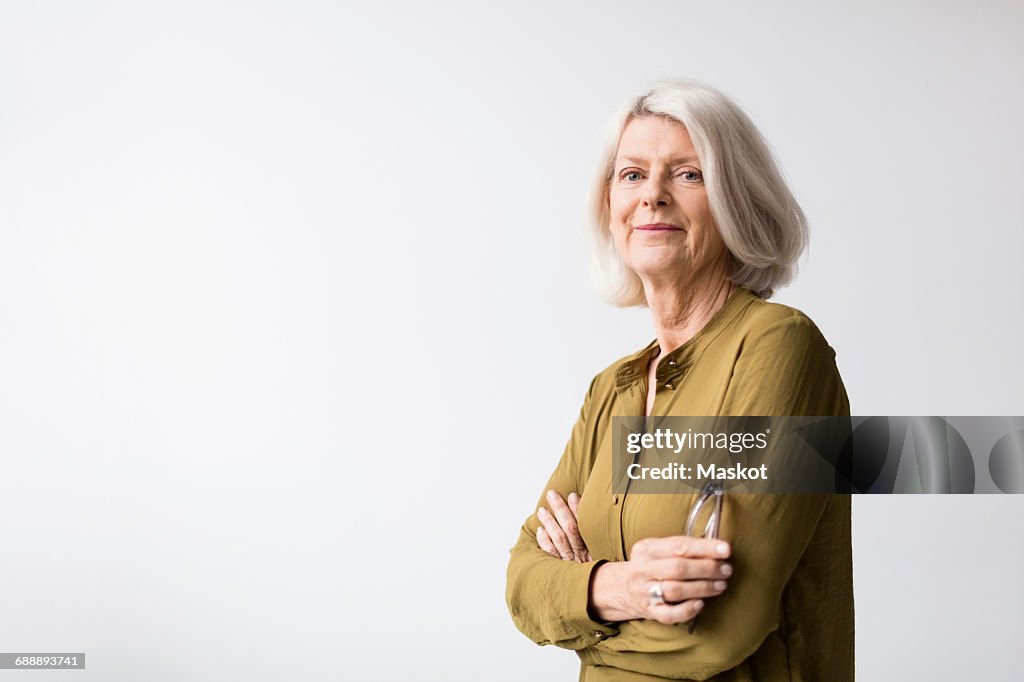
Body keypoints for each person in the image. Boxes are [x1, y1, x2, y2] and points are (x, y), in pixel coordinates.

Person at [505, 80, 853, 681]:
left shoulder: (778, 349)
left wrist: (581, 606)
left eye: (688, 174)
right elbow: (521, 583)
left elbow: (721, 632)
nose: (653, 197)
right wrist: (623, 587)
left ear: (737, 203)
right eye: (632, 174)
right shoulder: (610, 389)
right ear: (608, 206)